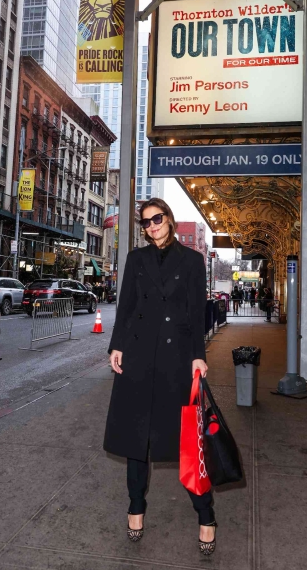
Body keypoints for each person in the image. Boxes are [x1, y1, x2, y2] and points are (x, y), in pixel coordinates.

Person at [104, 198, 217, 555]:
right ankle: (136, 506)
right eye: (146, 222)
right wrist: (116, 345)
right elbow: (127, 307)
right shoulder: (136, 260)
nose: (152, 226)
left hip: (177, 359)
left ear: (169, 218)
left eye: (157, 219)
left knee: (186, 443)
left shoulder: (193, 261)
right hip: (138, 357)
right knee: (135, 441)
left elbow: (196, 312)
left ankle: (206, 514)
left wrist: (198, 356)